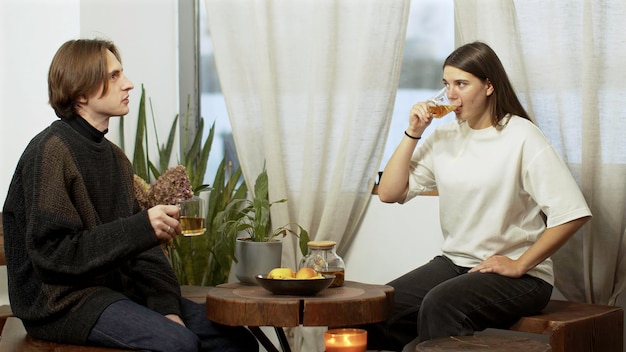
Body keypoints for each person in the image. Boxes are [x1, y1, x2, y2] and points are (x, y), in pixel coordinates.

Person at [1, 38, 258, 352]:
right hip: (63, 304)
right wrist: (142, 227)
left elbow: (143, 251)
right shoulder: (51, 152)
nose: (128, 84)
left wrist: (168, 309)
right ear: (80, 91)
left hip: (115, 295)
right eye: (113, 76)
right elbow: (53, 255)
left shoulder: (116, 159)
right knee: (179, 345)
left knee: (235, 340)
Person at [366, 41, 592, 350]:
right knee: (378, 307)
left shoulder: (521, 136)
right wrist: (413, 132)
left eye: (461, 83)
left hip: (523, 278)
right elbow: (390, 193)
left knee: (440, 304)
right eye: (446, 84)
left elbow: (573, 213)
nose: (451, 94)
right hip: (455, 263)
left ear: (488, 86)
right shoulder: (444, 136)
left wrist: (519, 264)